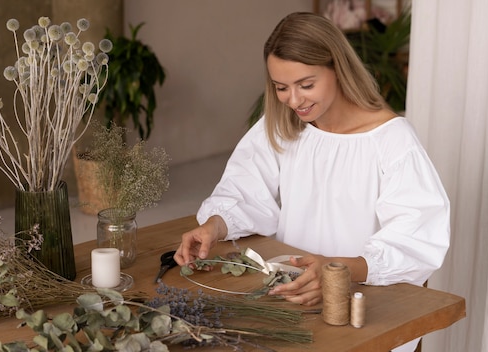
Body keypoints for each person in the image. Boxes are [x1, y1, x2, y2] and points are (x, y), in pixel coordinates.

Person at [173, 12, 450, 352]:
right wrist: (215, 226)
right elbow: (245, 188)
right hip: (291, 296)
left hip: (362, 307)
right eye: (281, 88)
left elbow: (415, 238)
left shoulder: (390, 140)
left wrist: (336, 273)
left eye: (306, 85)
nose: (294, 100)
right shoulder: (284, 123)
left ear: (338, 69)